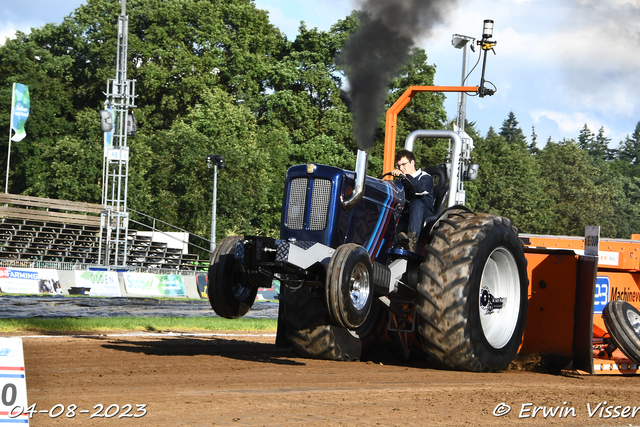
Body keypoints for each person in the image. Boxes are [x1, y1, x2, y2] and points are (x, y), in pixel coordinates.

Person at [391, 149, 434, 252]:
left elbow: (419, 189)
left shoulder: (425, 177)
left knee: (417, 202)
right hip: (407, 213)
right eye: (398, 166)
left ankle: (412, 240)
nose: (401, 168)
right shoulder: (401, 180)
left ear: (412, 162)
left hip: (424, 213)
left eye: (404, 164)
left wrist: (405, 178)